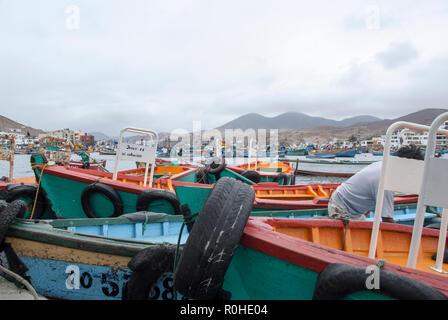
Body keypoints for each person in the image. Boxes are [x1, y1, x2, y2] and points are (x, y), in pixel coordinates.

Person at [328, 144, 424, 223]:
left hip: (352, 209)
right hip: (340, 208)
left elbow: (368, 190)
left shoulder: (384, 165)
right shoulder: (385, 180)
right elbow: (387, 219)